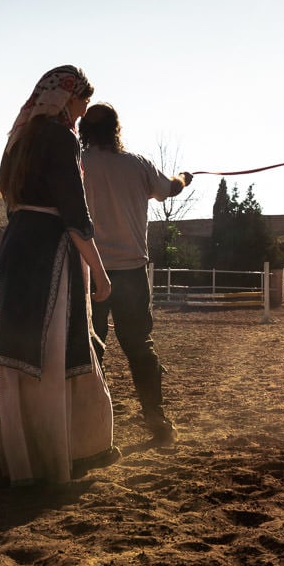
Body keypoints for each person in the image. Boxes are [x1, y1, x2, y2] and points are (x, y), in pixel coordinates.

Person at [0, 65, 120, 488]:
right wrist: (100, 273)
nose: (81, 112)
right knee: (56, 351)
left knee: (20, 353)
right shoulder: (60, 138)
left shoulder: (19, 139)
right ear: (66, 97)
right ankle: (63, 454)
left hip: (16, 247)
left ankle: (14, 458)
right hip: (49, 253)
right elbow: (75, 215)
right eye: (80, 101)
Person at [79, 103, 192, 445]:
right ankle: (156, 421)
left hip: (89, 271)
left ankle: (85, 427)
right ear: (116, 128)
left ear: (85, 130)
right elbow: (168, 189)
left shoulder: (78, 164)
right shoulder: (137, 165)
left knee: (88, 349)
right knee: (140, 346)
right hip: (131, 272)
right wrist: (185, 178)